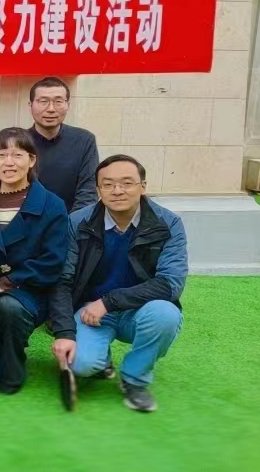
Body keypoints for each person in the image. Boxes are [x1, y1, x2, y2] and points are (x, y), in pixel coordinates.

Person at [49, 155, 186, 413]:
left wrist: (109, 302)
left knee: (166, 315)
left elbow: (170, 283)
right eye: (108, 184)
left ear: (142, 187)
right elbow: (62, 281)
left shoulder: (168, 223)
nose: (117, 190)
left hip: (141, 310)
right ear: (98, 190)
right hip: (90, 312)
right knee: (81, 365)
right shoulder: (78, 222)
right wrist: (64, 333)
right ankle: (101, 360)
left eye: (127, 183)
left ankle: (134, 379)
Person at [0, 128, 68, 394]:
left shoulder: (52, 205)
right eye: (1, 155)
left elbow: (52, 260)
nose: (8, 162)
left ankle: (12, 367)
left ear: (31, 160)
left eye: (17, 155)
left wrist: (7, 283)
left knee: (8, 306)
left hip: (28, 288)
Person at [26, 77, 98, 212]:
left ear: (68, 105)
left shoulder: (84, 140)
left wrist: (73, 222)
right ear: (30, 106)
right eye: (43, 101)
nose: (51, 109)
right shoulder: (19, 142)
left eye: (58, 102)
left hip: (71, 220)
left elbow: (87, 192)